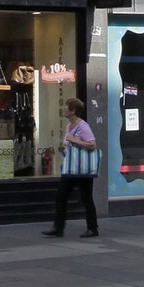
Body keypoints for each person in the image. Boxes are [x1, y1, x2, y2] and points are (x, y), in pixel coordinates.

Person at [43, 96, 100, 239]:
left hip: (82, 168)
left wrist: (75, 140)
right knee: (60, 196)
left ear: (73, 111)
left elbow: (92, 144)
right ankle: (58, 228)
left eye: (66, 107)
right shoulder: (69, 126)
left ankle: (93, 228)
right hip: (70, 168)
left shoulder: (83, 126)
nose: (64, 109)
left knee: (86, 198)